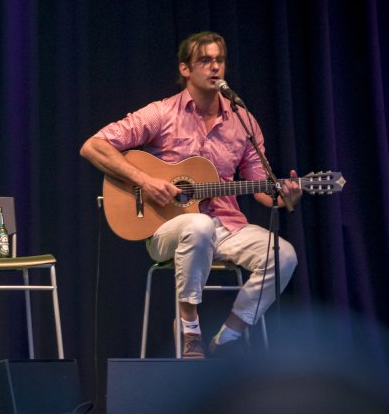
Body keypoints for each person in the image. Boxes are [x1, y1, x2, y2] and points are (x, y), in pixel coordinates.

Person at [80, 31, 300, 359]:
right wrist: (146, 181)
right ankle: (189, 328)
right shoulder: (162, 113)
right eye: (205, 60)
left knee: (283, 256)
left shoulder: (243, 121)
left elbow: (261, 188)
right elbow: (93, 146)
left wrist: (285, 197)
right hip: (167, 229)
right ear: (185, 69)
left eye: (220, 60)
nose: (215, 67)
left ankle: (230, 336)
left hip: (227, 226)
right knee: (199, 225)